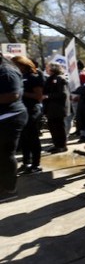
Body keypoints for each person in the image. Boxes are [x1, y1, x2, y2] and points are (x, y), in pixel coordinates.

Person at [0, 52, 28, 202]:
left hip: (10, 118)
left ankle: (10, 190)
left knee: (5, 154)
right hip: (4, 117)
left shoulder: (7, 71)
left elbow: (12, 95)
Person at [12, 56, 44, 174]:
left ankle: (36, 164)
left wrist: (20, 93)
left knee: (33, 138)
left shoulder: (34, 76)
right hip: (21, 111)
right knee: (24, 139)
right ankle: (26, 162)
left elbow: (38, 96)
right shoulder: (19, 76)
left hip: (32, 110)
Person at [43, 62, 70, 153]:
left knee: (59, 128)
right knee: (52, 127)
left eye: (48, 67)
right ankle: (56, 145)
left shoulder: (60, 79)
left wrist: (48, 96)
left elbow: (62, 94)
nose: (46, 69)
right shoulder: (50, 79)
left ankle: (62, 146)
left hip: (58, 108)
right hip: (51, 108)